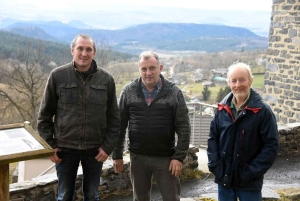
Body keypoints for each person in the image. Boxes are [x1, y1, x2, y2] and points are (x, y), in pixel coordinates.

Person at [37, 34, 120, 201]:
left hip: (95, 149)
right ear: (72, 51)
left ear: (94, 53)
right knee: (65, 195)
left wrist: (107, 148)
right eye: (80, 48)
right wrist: (50, 145)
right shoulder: (57, 76)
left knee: (92, 195)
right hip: (64, 149)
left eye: (89, 49)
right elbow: (44, 116)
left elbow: (114, 119)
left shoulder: (106, 80)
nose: (84, 53)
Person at [112, 51, 191, 201]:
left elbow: (184, 127)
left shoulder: (174, 92)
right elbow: (120, 125)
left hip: (166, 159)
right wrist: (117, 155)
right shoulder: (128, 91)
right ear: (139, 69)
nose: (148, 73)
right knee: (140, 198)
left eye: (152, 68)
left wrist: (179, 157)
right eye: (144, 69)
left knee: (171, 198)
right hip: (138, 158)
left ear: (160, 67)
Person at [207, 62, 279, 201]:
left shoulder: (263, 112)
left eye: (242, 79)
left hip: (249, 183)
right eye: (233, 80)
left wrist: (251, 172)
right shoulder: (222, 109)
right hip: (225, 179)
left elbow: (271, 146)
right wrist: (215, 165)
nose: (238, 84)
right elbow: (213, 138)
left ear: (251, 81)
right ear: (229, 83)